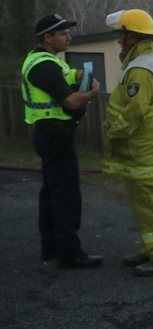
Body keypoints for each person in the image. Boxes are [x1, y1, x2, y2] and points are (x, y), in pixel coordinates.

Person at [102, 9, 153, 277]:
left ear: (132, 37)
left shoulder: (140, 70)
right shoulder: (142, 63)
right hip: (142, 147)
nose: (119, 41)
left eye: (121, 35)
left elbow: (134, 112)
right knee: (143, 203)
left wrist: (114, 131)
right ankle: (152, 248)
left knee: (152, 203)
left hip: (144, 147)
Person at [21, 13, 103, 269]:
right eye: (63, 33)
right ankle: (70, 252)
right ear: (48, 38)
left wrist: (77, 77)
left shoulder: (48, 62)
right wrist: (90, 93)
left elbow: (63, 83)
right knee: (66, 194)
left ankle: (51, 247)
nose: (69, 37)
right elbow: (69, 101)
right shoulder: (43, 66)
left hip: (50, 133)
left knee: (51, 192)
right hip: (55, 135)